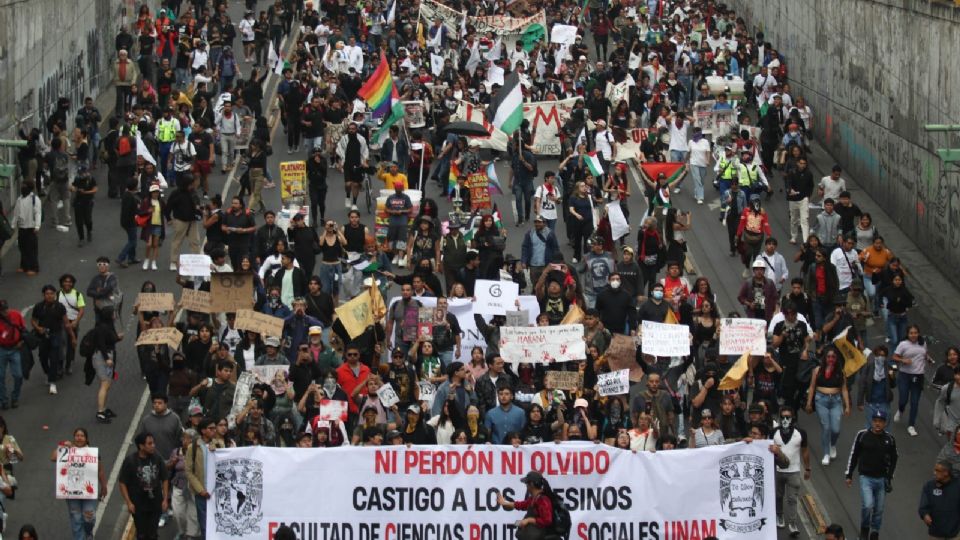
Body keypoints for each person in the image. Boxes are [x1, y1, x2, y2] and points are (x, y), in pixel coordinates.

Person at [845, 409, 898, 540]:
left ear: (885, 423)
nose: (877, 424)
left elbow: (895, 458)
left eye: (880, 421)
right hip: (866, 478)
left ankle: (875, 531)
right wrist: (849, 474)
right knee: (868, 505)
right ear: (871, 421)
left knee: (879, 509)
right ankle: (865, 528)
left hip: (881, 479)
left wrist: (889, 476)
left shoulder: (889, 439)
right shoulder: (862, 435)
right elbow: (854, 454)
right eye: (875, 421)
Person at [51, 428, 107, 540]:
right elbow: (53, 457)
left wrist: (104, 486)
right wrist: (62, 446)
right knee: (76, 518)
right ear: (74, 437)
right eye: (77, 435)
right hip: (71, 492)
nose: (79, 437)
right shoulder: (67, 450)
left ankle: (88, 532)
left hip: (87, 491)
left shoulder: (92, 453)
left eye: (82, 435)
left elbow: (100, 470)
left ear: (86, 439)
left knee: (89, 517)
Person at [119, 432, 170, 540]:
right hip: (138, 504)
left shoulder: (157, 458)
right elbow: (122, 482)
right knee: (141, 534)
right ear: (141, 446)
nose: (153, 446)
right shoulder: (130, 461)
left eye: (153, 443)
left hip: (155, 503)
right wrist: (129, 502)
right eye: (150, 443)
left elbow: (165, 478)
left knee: (152, 534)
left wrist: (165, 499)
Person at [805, 347, 851, 465]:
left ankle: (833, 444)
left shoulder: (840, 372)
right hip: (821, 400)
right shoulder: (817, 370)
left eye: (833, 357)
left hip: (836, 400)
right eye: (829, 357)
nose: (831, 359)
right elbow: (812, 387)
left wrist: (847, 406)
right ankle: (826, 453)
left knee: (836, 429)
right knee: (826, 427)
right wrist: (809, 403)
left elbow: (844, 389)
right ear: (825, 358)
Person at [772, 406, 809, 537]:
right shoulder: (774, 432)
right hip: (777, 470)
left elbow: (805, 451)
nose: (785, 419)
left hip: (794, 470)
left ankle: (793, 523)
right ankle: (780, 515)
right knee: (778, 496)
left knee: (792, 498)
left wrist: (808, 468)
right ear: (779, 417)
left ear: (792, 418)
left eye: (788, 417)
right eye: (783, 417)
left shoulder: (801, 433)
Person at [32, 284, 71, 395]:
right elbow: (33, 320)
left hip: (56, 335)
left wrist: (71, 336)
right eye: (47, 294)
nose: (49, 296)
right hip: (43, 336)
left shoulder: (60, 307)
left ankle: (52, 382)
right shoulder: (39, 307)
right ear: (44, 295)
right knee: (43, 357)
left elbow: (66, 322)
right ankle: (48, 373)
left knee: (54, 358)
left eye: (52, 294)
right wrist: (38, 328)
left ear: (55, 295)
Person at [892, 324, 928, 437]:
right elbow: (894, 357)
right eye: (911, 333)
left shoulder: (923, 343)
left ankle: (911, 425)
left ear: (918, 333)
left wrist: (928, 358)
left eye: (915, 333)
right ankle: (901, 410)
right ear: (908, 334)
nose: (913, 335)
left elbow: (924, 354)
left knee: (915, 402)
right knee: (903, 399)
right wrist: (903, 360)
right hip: (905, 375)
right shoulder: (903, 344)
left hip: (918, 376)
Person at [497, 471, 554, 540]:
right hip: (533, 535)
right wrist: (504, 503)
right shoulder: (534, 498)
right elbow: (520, 505)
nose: (526, 486)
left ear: (532, 484)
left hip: (540, 536)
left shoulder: (543, 500)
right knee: (516, 524)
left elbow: (547, 520)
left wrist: (529, 520)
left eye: (527, 483)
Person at [918, 462, 960, 540]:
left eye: (937, 471)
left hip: (955, 534)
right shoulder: (929, 486)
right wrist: (925, 515)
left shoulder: (957, 485)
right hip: (935, 534)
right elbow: (923, 506)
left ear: (946, 473)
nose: (934, 473)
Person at [11, 180, 42, 275]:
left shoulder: (35, 199)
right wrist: (13, 225)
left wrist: (37, 226)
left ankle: (34, 268)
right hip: (22, 227)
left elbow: (38, 213)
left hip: (31, 227)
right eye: (22, 186)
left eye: (24, 186)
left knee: (31, 248)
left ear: (29, 187)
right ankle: (24, 266)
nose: (22, 188)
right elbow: (16, 213)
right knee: (22, 247)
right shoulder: (19, 199)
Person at [0, 300, 25, 409]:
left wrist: (21, 342)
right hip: (1, 350)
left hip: (15, 349)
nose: (5, 311)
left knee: (18, 375)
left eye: (6, 309)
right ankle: (3, 400)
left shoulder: (16, 314)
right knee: (0, 377)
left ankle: (15, 397)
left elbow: (24, 330)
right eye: (2, 310)